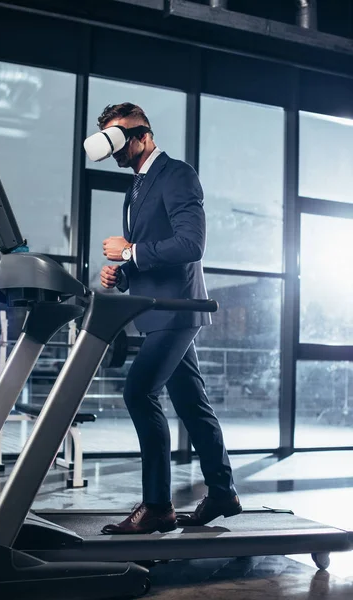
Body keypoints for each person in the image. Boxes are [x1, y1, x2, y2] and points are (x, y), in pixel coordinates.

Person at [97, 102, 241, 534]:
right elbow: (147, 251)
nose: (113, 149)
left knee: (139, 392)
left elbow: (190, 244)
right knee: (192, 404)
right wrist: (121, 273)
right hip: (157, 312)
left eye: (118, 138)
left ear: (142, 134)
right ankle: (222, 492)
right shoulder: (135, 188)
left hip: (178, 309)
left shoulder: (177, 174)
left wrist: (128, 252)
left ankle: (158, 505)